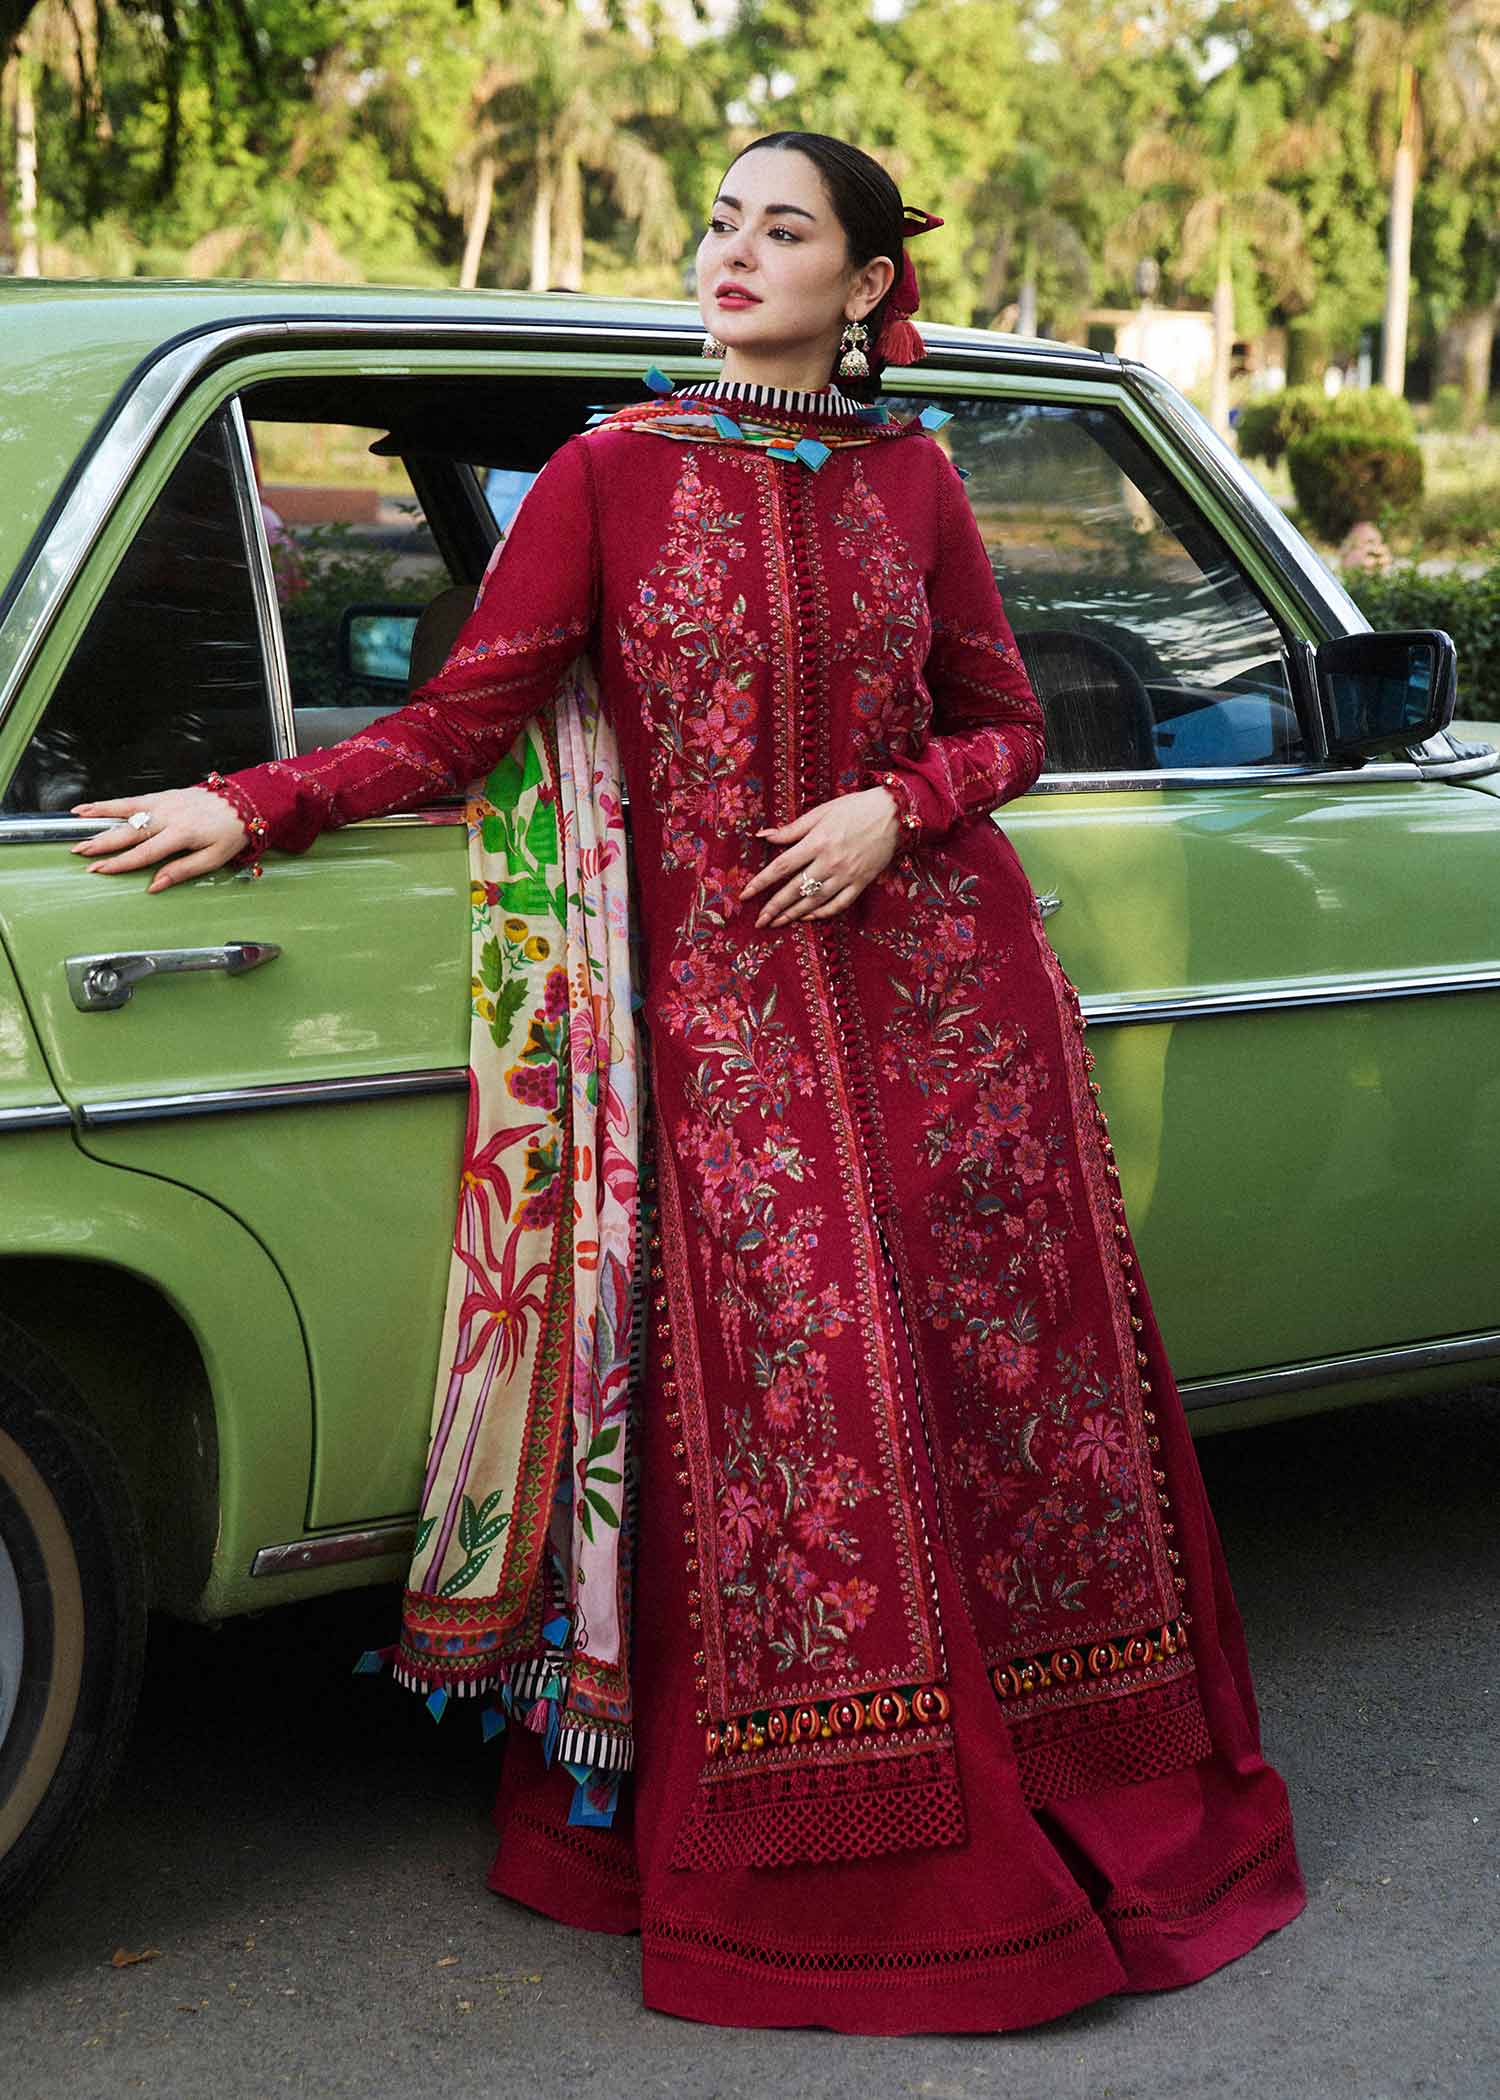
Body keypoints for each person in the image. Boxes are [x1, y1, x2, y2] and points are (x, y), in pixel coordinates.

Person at [69, 132, 1304, 2034]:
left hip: (950, 1010)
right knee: (804, 1423)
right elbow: (460, 722)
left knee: (996, 1404)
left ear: (866, 285)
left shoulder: (917, 481)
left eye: (781, 229)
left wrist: (897, 809)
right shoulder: (610, 476)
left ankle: (1069, 1776)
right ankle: (848, 1848)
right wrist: (256, 801)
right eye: (722, 220)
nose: (733, 251)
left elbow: (1009, 724)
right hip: (728, 1030)